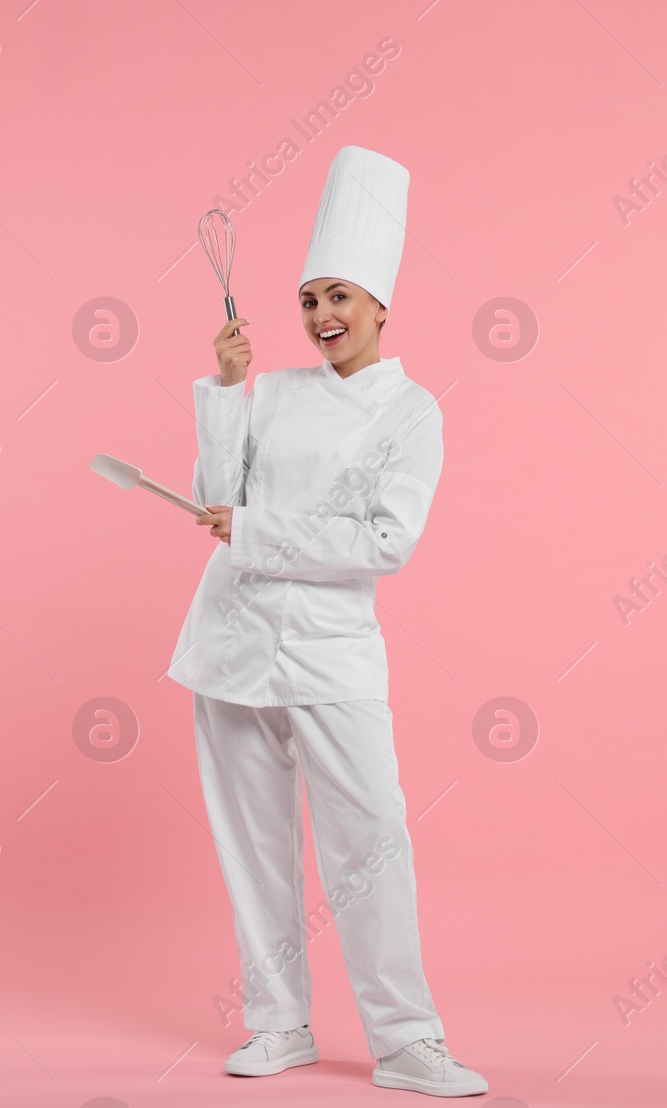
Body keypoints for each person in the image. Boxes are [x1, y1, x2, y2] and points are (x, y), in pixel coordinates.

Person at [167, 145, 487, 1097]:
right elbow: (213, 499)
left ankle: (405, 1038)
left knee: (372, 837)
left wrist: (257, 527)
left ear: (382, 305)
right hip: (231, 644)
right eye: (309, 300)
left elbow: (386, 539)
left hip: (334, 653)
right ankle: (279, 1023)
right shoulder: (271, 392)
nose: (322, 318)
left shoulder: (411, 411)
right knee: (252, 842)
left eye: (339, 297)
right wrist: (226, 391)